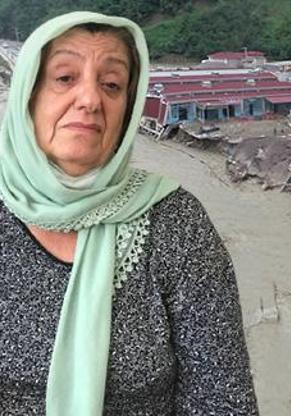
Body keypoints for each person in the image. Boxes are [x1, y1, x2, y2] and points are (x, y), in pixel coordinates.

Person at [0, 11, 259, 415]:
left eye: (112, 85)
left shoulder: (176, 223)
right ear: (27, 97)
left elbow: (223, 400)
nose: (89, 99)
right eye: (65, 78)